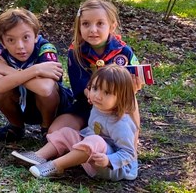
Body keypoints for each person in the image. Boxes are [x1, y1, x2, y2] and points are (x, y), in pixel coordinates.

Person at [11, 65, 139, 181]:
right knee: (67, 132)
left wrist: (109, 160)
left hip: (111, 168)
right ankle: (38, 156)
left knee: (95, 140)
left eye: (107, 92)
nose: (97, 96)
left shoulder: (121, 123)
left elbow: (129, 153)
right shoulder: (99, 107)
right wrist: (75, 138)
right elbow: (92, 131)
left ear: (122, 97)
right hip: (92, 155)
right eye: (95, 88)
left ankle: (56, 166)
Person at [49, 0, 143, 135]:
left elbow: (136, 77)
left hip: (117, 106)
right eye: (86, 24)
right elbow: (79, 86)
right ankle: (83, 141)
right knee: (54, 132)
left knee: (130, 103)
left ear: (111, 26)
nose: (93, 30)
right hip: (87, 104)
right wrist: (94, 97)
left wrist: (134, 86)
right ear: (79, 27)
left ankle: (131, 148)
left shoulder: (123, 51)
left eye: (100, 24)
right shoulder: (76, 52)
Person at [0, 8, 73, 142]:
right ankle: (16, 127)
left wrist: (10, 71)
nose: (20, 46)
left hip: (53, 108)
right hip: (19, 103)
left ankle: (46, 128)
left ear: (36, 36)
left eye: (26, 37)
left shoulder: (46, 49)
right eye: (11, 40)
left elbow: (45, 89)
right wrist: (36, 71)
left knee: (48, 92)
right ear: (3, 42)